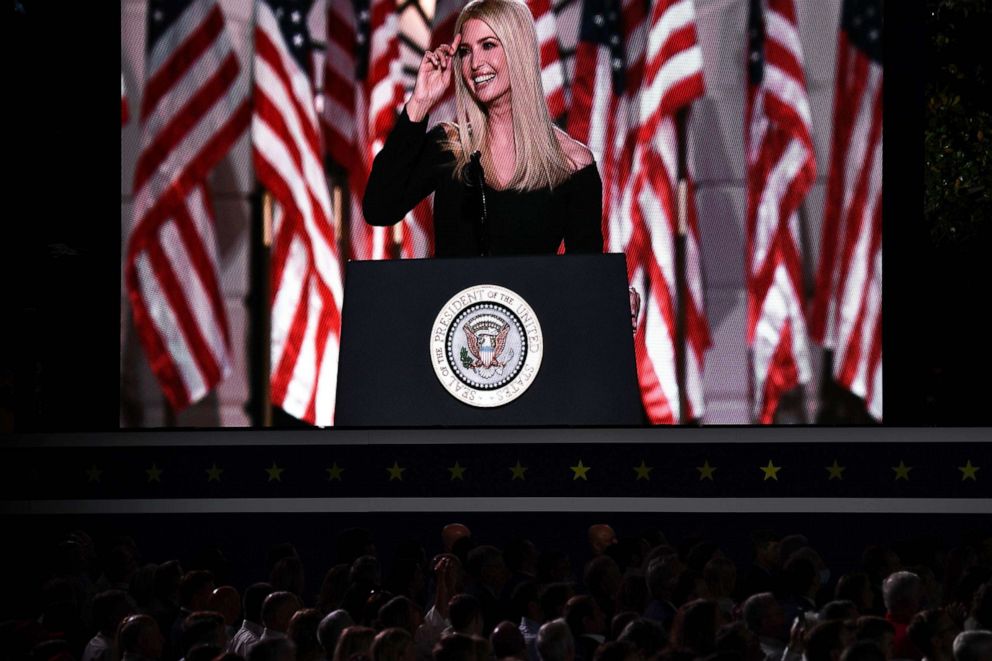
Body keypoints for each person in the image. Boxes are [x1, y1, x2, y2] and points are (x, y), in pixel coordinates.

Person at [363, 0, 602, 257]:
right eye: (465, 51)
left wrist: (614, 296)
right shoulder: (449, 147)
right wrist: (420, 103)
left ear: (518, 50)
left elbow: (584, 279)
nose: (475, 62)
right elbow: (379, 208)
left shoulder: (571, 165)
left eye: (488, 45)